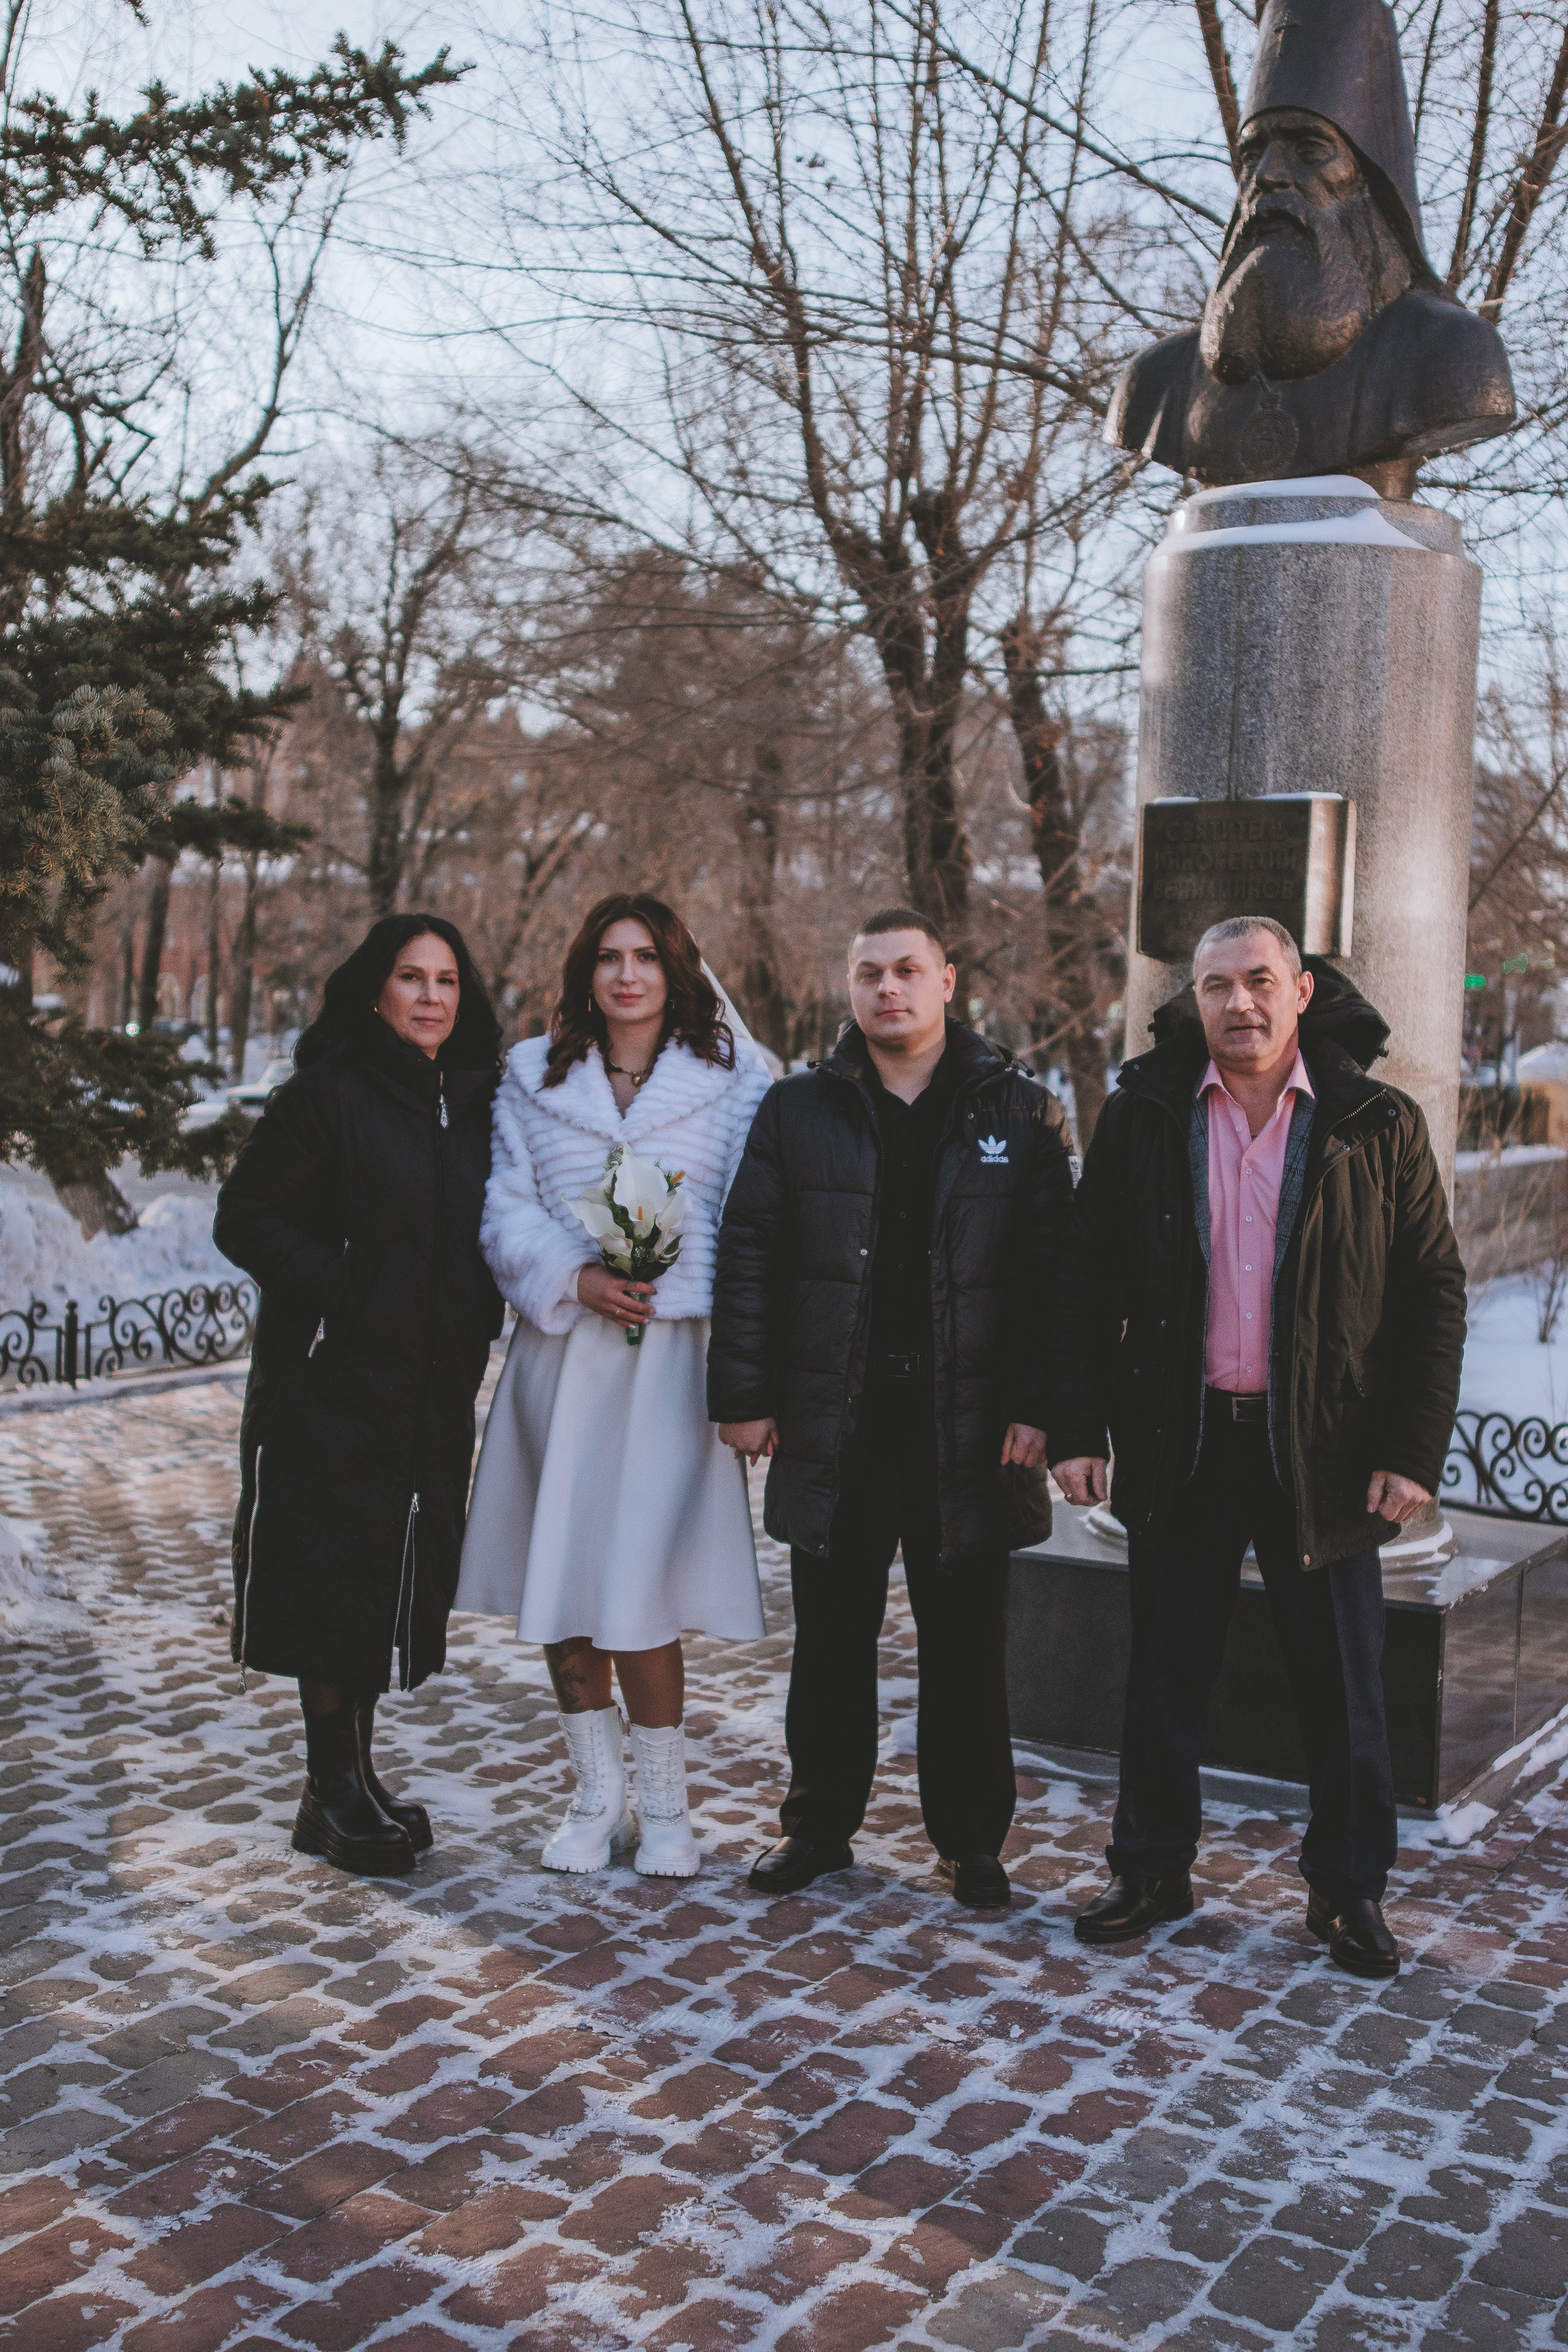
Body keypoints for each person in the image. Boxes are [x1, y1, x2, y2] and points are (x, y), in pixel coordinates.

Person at [1051, 916, 1466, 1978]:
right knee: (1164, 1675)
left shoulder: (1375, 1121)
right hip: (1183, 1439)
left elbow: (1431, 1291)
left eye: (1261, 980)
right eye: (1217, 985)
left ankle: (1348, 1890)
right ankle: (1151, 1868)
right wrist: (1076, 1427)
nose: (1240, 1002)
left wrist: (1412, 1449)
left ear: (1302, 990)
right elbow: (1084, 1280)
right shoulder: (1145, 1114)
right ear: (1194, 998)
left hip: (1323, 1450)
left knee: (1343, 1687)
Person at [709, 906, 1077, 1909]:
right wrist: (743, 1395)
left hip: (974, 1429)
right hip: (839, 1419)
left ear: (947, 981)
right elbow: (750, 1252)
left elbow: (1057, 1278)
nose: (889, 989)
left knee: (967, 1650)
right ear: (850, 986)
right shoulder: (799, 1110)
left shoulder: (1021, 1112)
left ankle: (971, 1842)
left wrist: (1042, 1407)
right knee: (831, 1642)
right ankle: (818, 1827)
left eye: (908, 970)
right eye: (870, 972)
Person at [455, 893, 772, 1878]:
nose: (627, 975)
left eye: (646, 957)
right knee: (564, 1584)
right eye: (608, 957)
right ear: (585, 973)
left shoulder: (736, 1082)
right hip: (563, 1361)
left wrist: (734, 1348)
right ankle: (596, 1798)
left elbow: (758, 1223)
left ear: (677, 971)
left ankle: (667, 1808)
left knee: (642, 1583)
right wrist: (576, 1276)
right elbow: (504, 1209)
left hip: (672, 1366)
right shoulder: (531, 1078)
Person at [215, 915, 505, 1878]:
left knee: (386, 1573)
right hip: (329, 1384)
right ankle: (328, 1788)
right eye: (412, 977)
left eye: (447, 980)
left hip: (427, 1388)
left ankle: (354, 1778)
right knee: (332, 1576)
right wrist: (344, 1288)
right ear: (376, 989)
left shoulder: (471, 1102)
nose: (431, 996)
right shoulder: (326, 1095)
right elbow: (244, 1218)